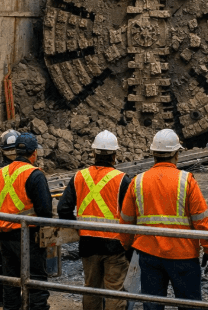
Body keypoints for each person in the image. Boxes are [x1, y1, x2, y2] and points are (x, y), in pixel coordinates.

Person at [119, 129, 208, 310]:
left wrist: (126, 247)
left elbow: (126, 221)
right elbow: (201, 219)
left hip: (149, 254)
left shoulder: (138, 181)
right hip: (183, 255)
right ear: (176, 154)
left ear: (153, 154)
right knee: (189, 305)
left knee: (152, 305)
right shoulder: (186, 181)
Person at [58, 130, 132, 310]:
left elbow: (63, 209)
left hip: (88, 243)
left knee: (91, 289)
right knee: (114, 291)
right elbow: (131, 215)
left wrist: (78, 228)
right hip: (115, 245)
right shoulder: (122, 180)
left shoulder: (79, 176)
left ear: (94, 153)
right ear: (114, 155)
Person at [0, 132, 53, 310]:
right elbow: (45, 211)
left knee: (10, 283)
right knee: (36, 282)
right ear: (34, 153)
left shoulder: (0, 173)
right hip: (28, 237)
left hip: (4, 236)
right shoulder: (34, 174)